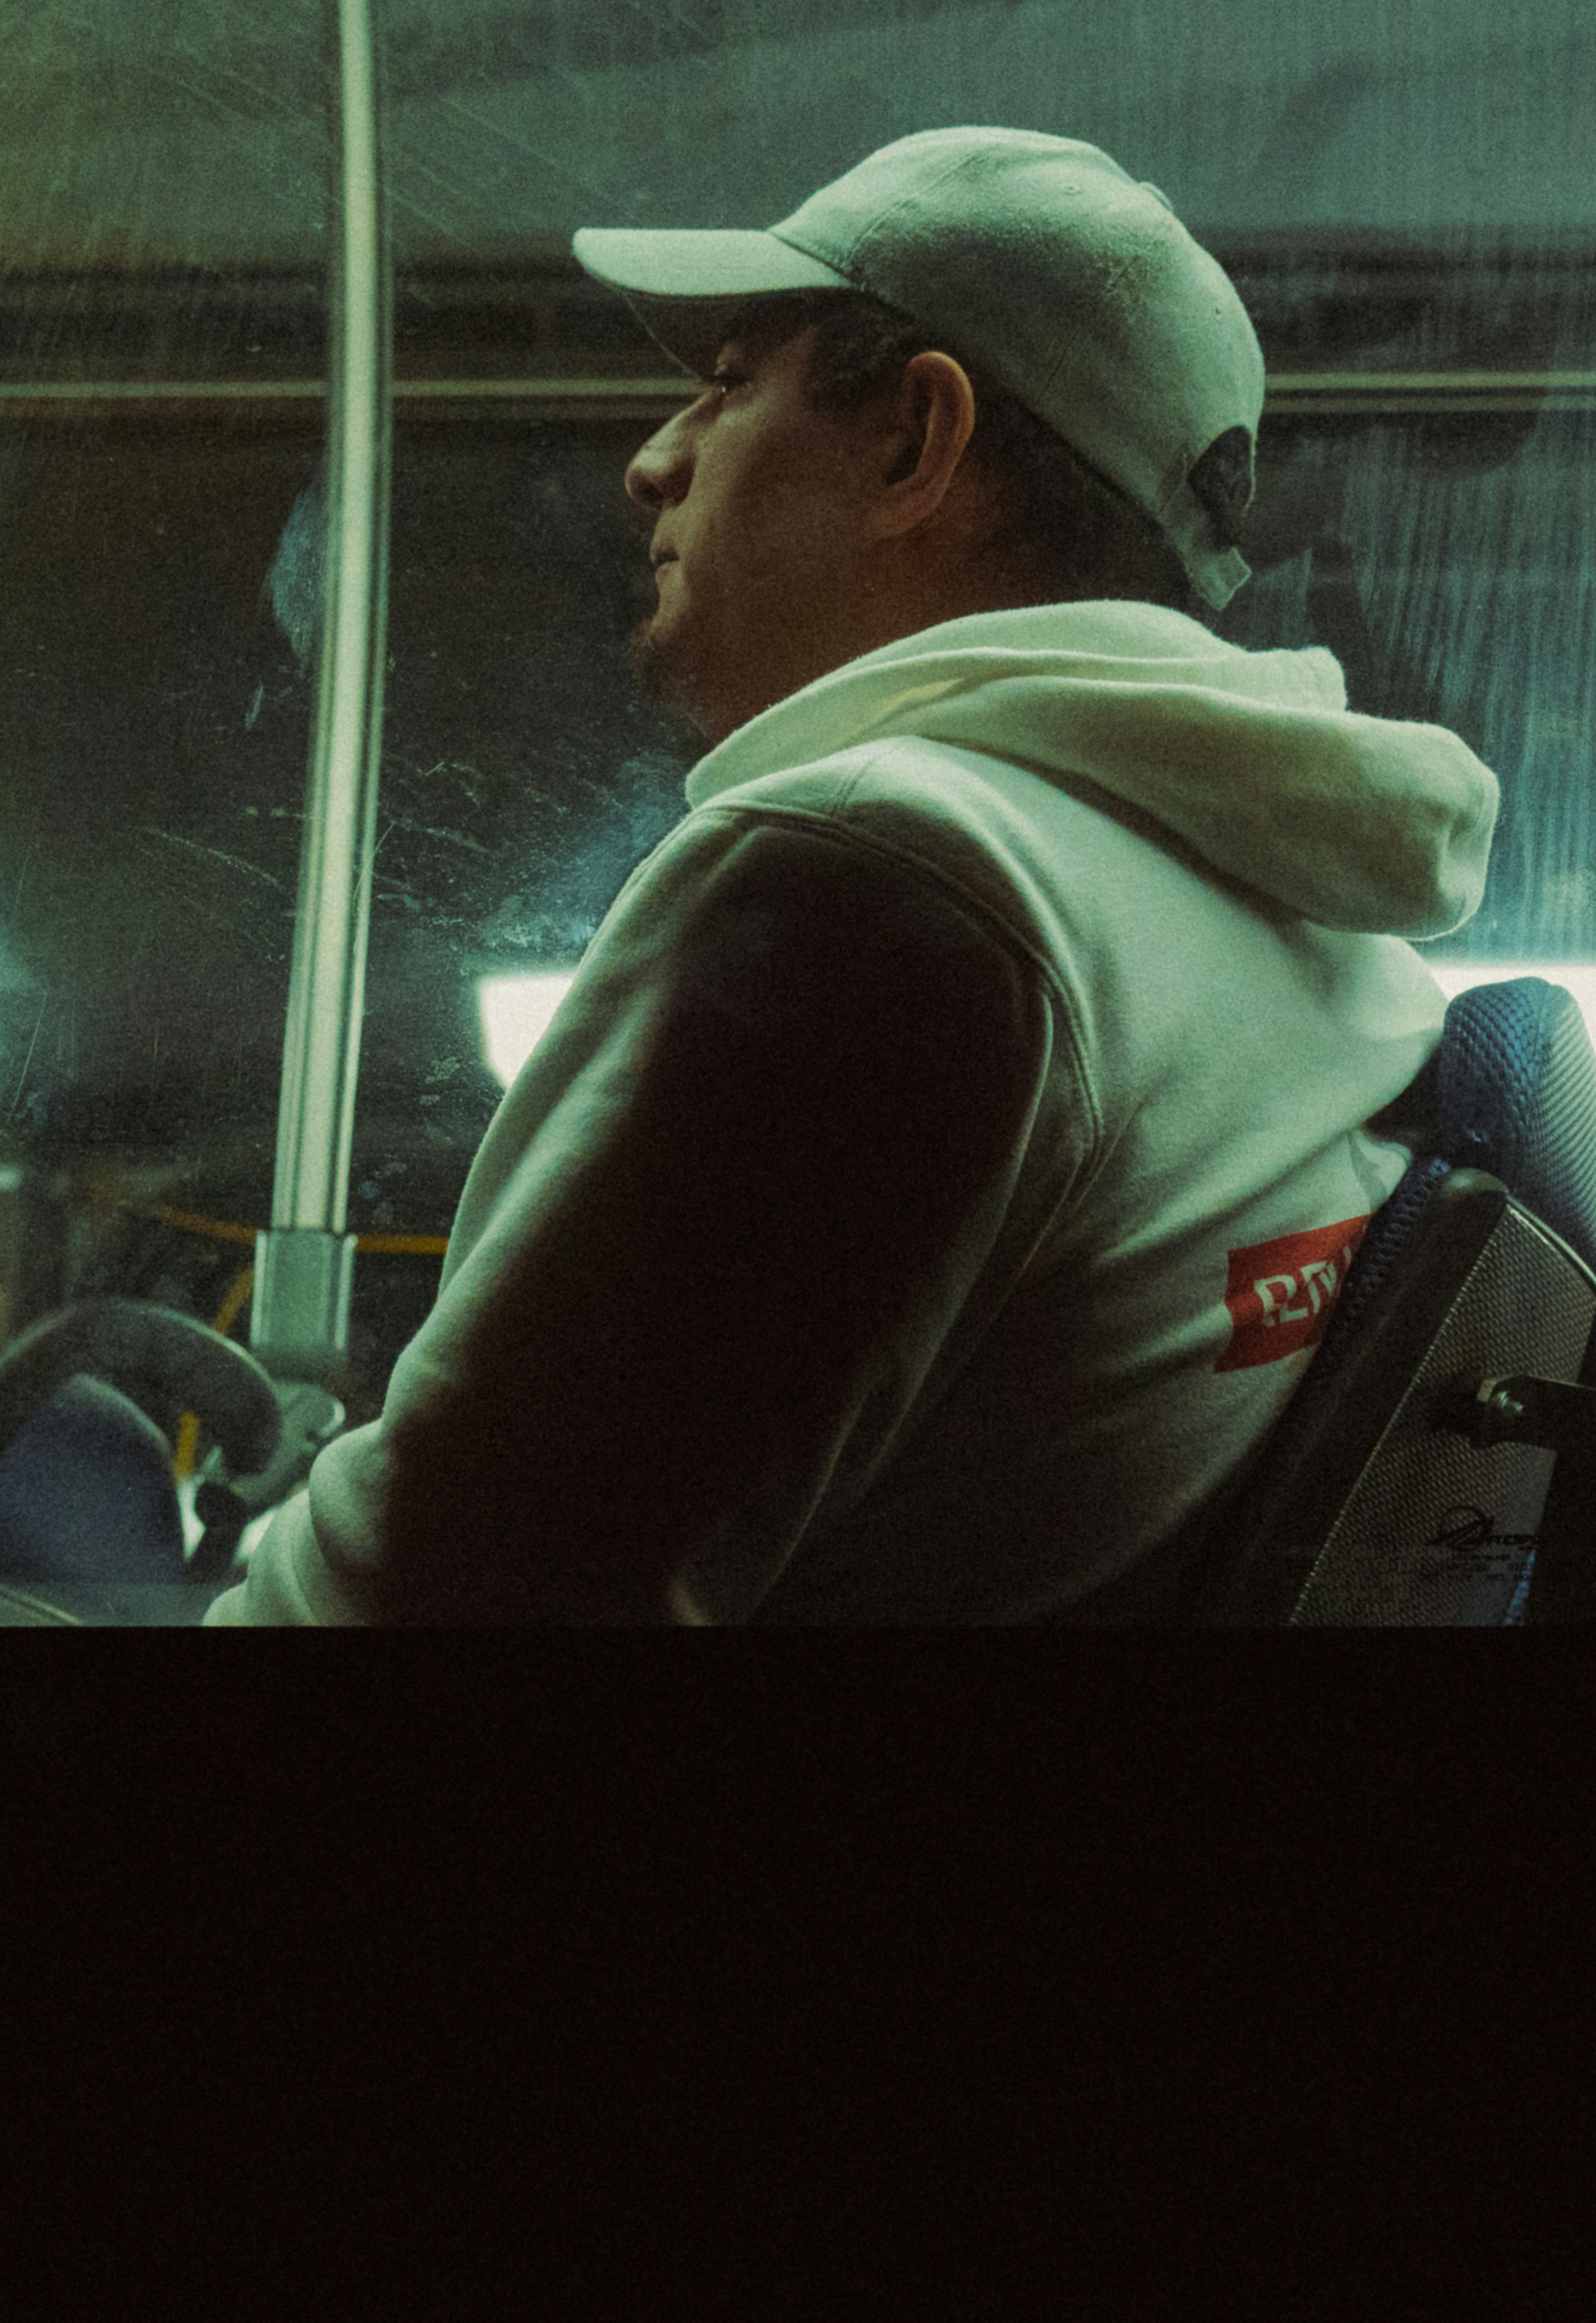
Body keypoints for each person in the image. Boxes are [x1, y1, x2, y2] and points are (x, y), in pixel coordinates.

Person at [204, 126, 1497, 1621]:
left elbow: (432, 1606)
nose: (651, 464)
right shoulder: (1294, 928)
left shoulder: (888, 889)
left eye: (730, 383)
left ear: (912, 444)